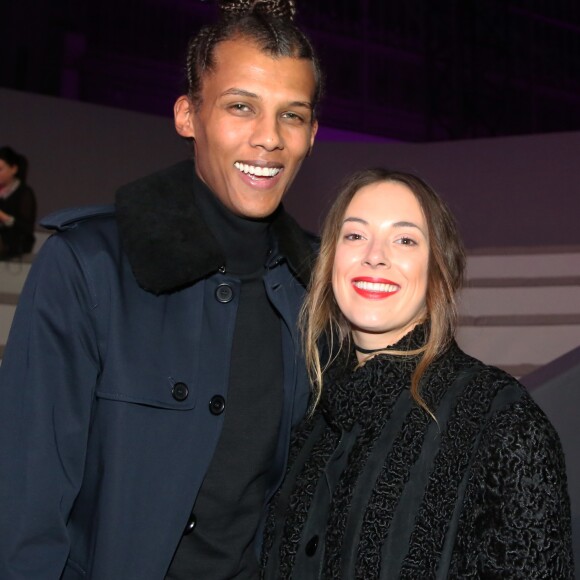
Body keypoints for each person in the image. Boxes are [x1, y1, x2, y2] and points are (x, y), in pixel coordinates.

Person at [0, 1, 322, 578]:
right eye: (240, 107)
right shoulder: (87, 266)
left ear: (311, 133)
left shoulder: (315, 292)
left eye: (291, 115)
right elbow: (25, 509)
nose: (268, 138)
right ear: (187, 116)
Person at [261, 168, 575, 578]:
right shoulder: (306, 414)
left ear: (438, 270)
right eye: (355, 235)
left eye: (405, 239)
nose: (374, 255)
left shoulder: (501, 421)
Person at [0, 146, 37, 259]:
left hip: (15, 244)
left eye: (0, 169)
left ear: (13, 169)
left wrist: (3, 216)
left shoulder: (24, 192)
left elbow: (25, 228)